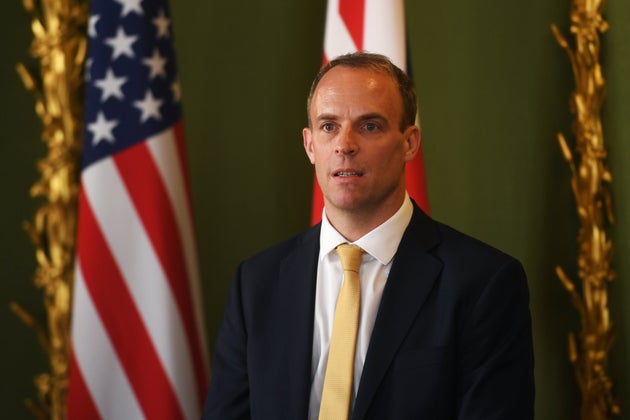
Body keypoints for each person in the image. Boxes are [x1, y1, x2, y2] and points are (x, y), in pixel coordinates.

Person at [202, 52, 534, 419]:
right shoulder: (256, 283)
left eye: (369, 126)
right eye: (329, 126)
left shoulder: (483, 283)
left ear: (409, 143)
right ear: (310, 145)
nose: (345, 144)